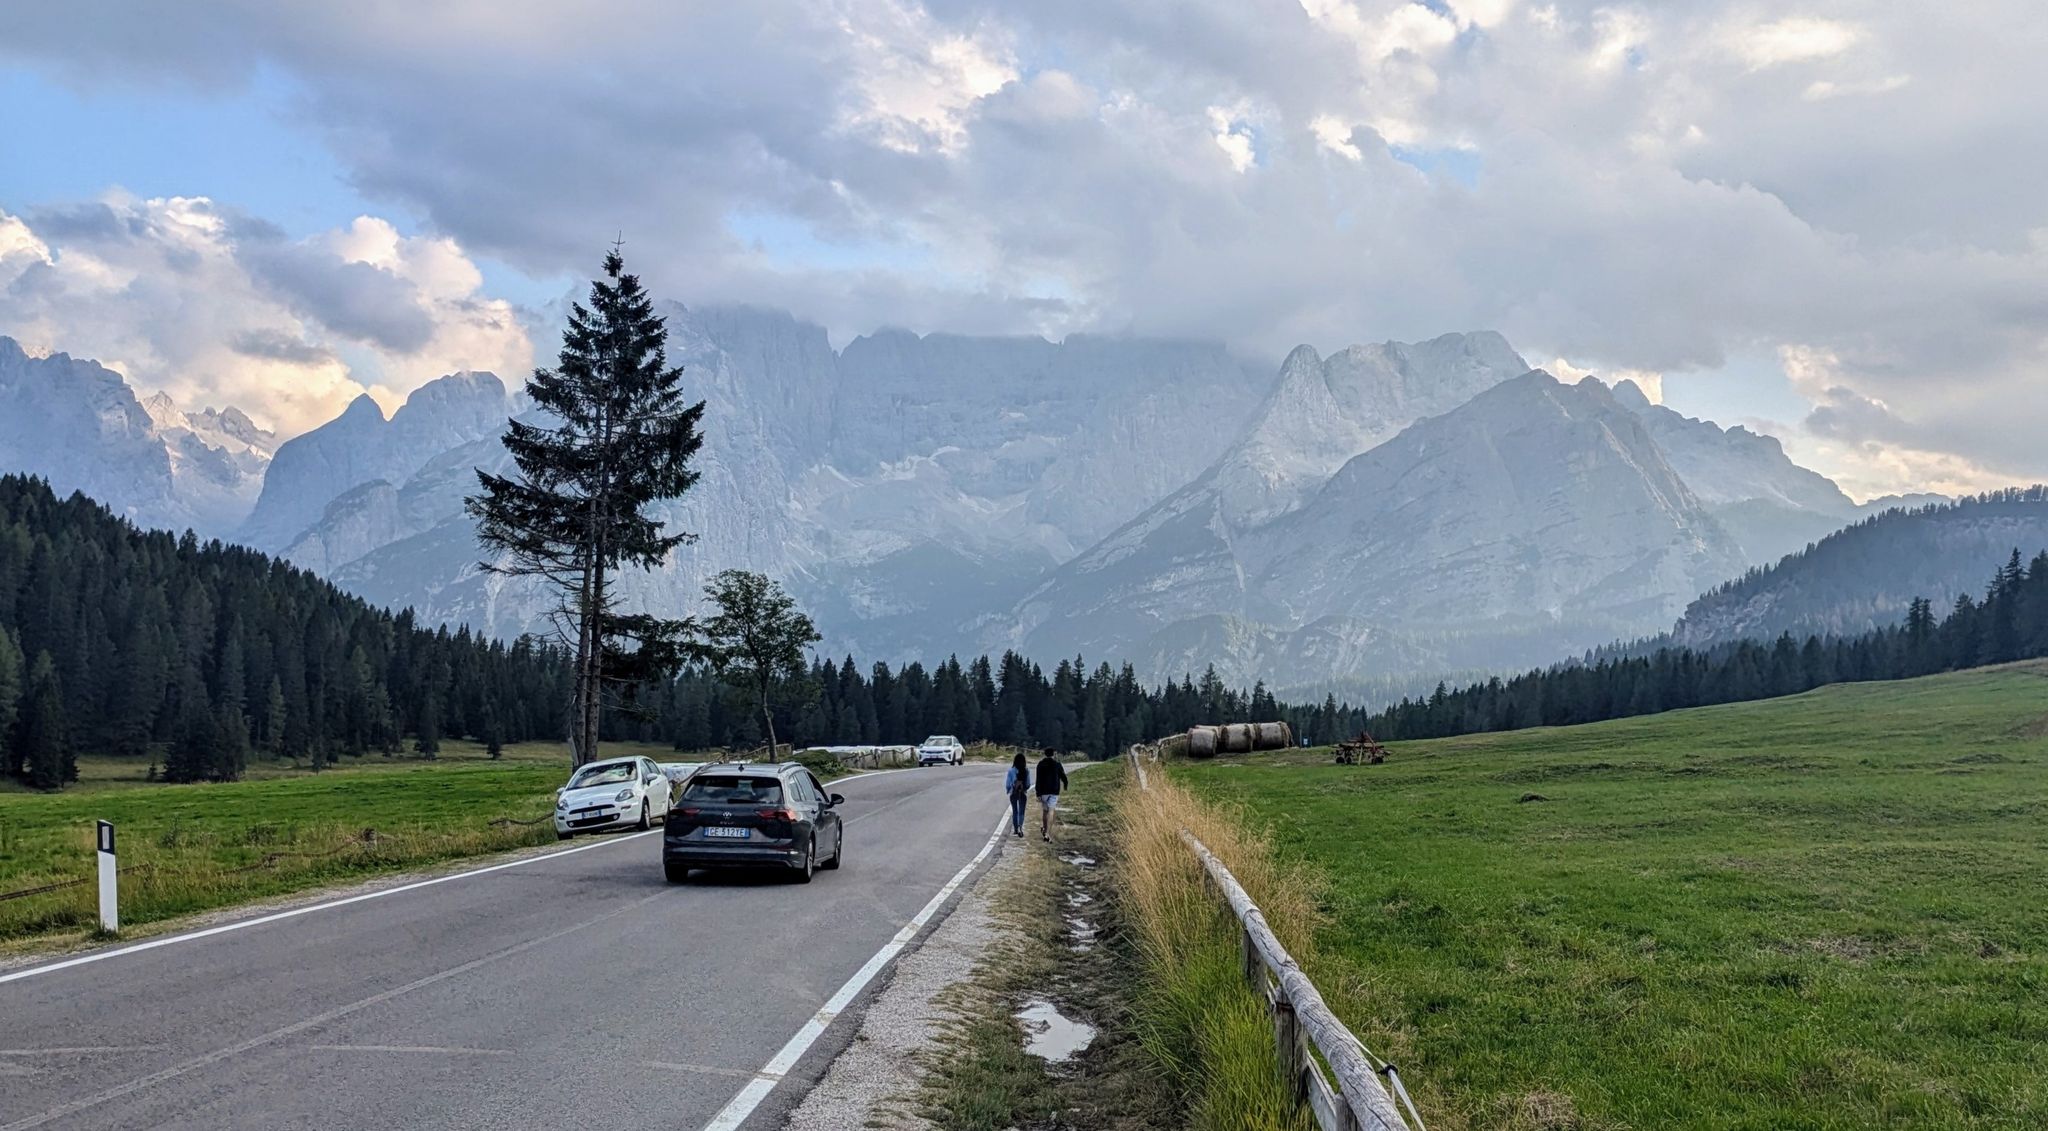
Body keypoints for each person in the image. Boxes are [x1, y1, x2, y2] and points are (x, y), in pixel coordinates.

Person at [1034, 747, 1068, 843]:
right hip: (1054, 791)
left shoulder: (1040, 764)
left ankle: (1044, 830)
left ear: (1045, 754)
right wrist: (1065, 785)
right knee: (1051, 811)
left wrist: (1038, 793)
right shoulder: (1057, 764)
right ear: (1053, 754)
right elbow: (1063, 776)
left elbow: (1038, 779)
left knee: (1045, 811)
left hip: (1043, 791)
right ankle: (1048, 834)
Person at [1004, 752, 1032, 838]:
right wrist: (1024, 789)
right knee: (1021, 811)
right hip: (1022, 793)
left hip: (1014, 793)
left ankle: (1015, 829)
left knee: (1015, 811)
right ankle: (1020, 827)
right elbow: (1028, 784)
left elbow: (1008, 784)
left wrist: (1009, 790)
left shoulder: (1011, 771)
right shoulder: (1026, 771)